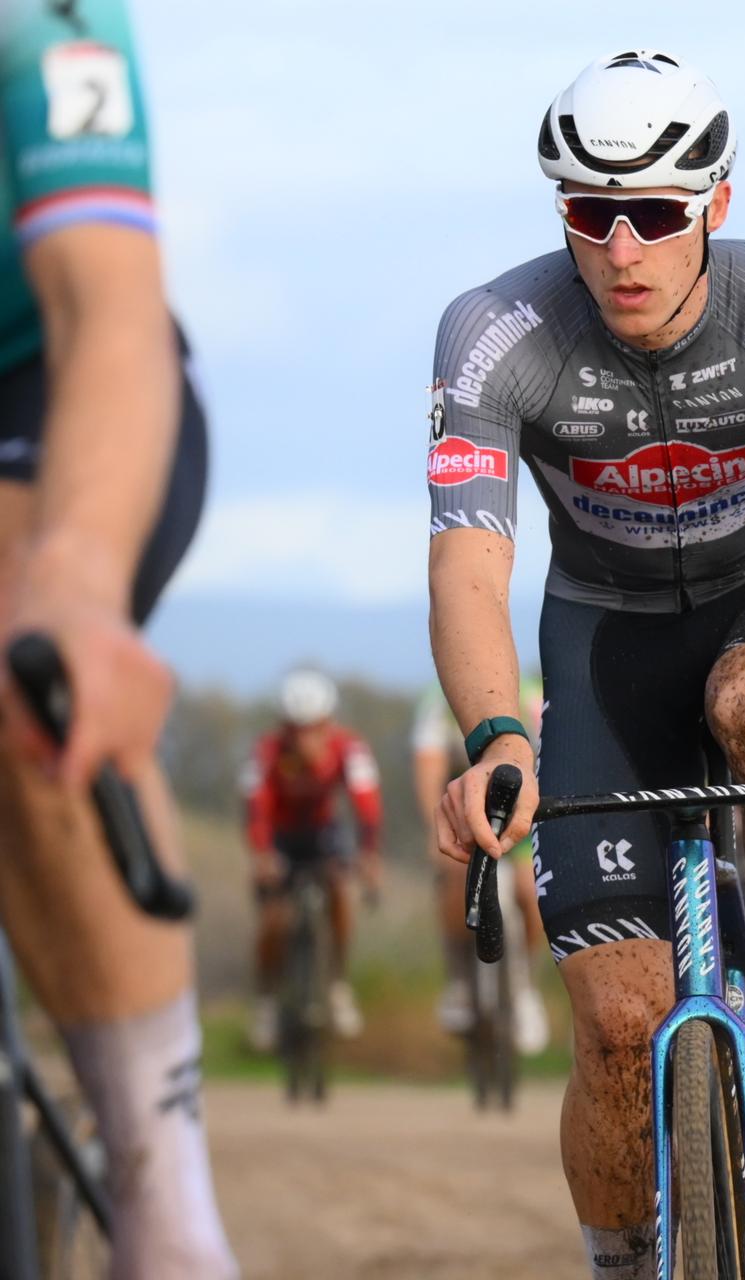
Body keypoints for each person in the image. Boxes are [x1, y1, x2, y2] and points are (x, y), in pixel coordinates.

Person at [426, 50, 745, 1276]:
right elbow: (469, 564)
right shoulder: (497, 334)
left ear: (713, 200)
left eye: (652, 213)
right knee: (614, 1027)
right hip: (605, 631)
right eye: (587, 215)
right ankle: (620, 1258)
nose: (619, 248)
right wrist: (497, 736)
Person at [0, 3, 237, 1274]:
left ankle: (165, 1215)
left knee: (15, 638)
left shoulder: (41, 24)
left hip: (54, 387)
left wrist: (73, 580)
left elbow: (108, 309)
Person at [241, 668, 384, 1051]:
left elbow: (366, 805)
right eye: (296, 729)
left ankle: (337, 982)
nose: (305, 738)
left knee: (341, 890)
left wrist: (369, 857)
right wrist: (261, 855)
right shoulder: (267, 752)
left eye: (314, 728)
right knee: (272, 919)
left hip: (324, 835)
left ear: (328, 722)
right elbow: (255, 808)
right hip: (280, 838)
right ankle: (267, 1003)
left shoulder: (349, 749)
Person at [413, 675, 550, 1053]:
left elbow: (551, 762)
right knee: (455, 876)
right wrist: (432, 826)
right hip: (464, 813)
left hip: (519, 812)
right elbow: (428, 767)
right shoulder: (437, 703)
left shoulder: (532, 697)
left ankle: (525, 990)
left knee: (529, 888)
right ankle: (458, 981)